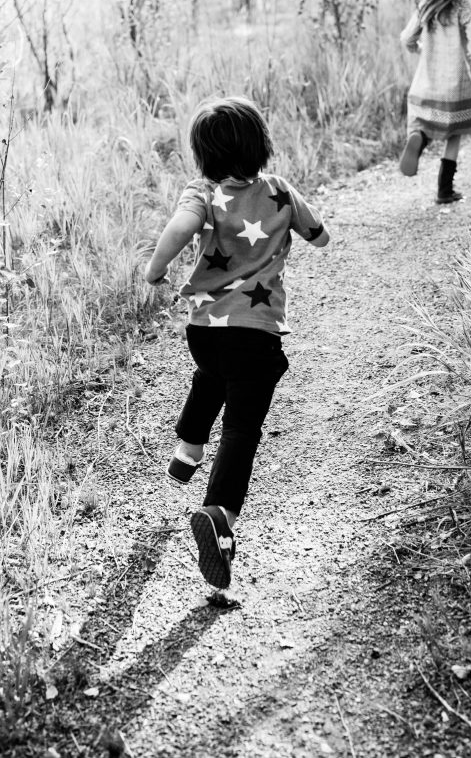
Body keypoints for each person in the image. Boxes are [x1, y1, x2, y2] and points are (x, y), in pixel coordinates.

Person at [144, 96, 329, 590]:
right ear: (261, 144)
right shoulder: (279, 191)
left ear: (203, 155)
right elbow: (320, 235)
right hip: (257, 333)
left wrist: (156, 268)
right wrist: (297, 227)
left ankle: (186, 450)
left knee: (211, 375)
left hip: (204, 332)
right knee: (242, 429)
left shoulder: (202, 191)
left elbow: (181, 228)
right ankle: (220, 514)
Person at [397, 0, 471, 203]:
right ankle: (444, 190)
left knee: (424, 122)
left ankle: (420, 137)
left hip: (424, 86)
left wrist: (419, 48)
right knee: (454, 135)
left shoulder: (426, 8)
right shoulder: (465, 9)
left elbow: (406, 38)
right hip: (455, 86)